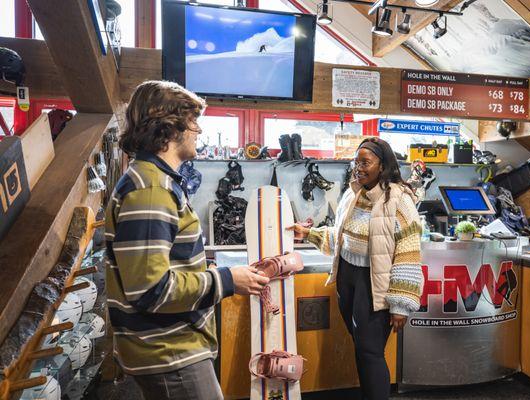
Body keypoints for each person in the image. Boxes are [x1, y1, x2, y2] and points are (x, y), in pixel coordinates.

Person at [104, 80, 269, 400]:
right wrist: (227, 279)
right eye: (193, 122)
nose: (198, 131)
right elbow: (150, 291)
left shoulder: (155, 182)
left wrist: (200, 268)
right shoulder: (151, 190)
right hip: (169, 353)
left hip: (171, 348)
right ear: (168, 127)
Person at [289, 137, 423, 400]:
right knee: (362, 348)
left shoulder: (398, 200)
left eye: (366, 162)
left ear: (382, 166)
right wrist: (308, 234)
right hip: (348, 278)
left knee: (370, 352)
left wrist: (400, 305)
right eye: (356, 161)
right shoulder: (353, 193)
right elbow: (343, 238)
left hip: (374, 284)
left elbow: (409, 252)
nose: (358, 167)